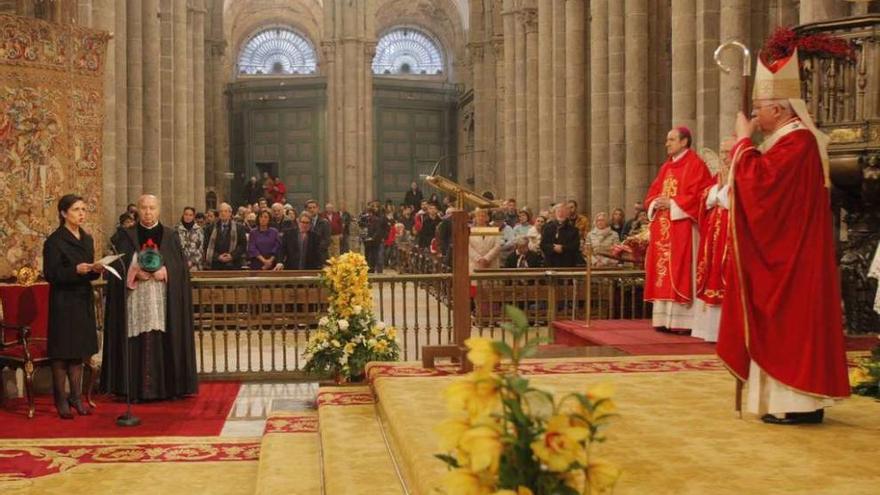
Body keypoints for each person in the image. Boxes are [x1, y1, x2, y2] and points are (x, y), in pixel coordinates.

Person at [717, 50, 849, 425]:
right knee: (787, 327)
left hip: (792, 259)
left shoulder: (799, 143)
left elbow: (764, 189)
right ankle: (792, 402)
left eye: (759, 108)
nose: (755, 115)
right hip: (790, 252)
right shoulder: (786, 141)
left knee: (789, 326)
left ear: (780, 110)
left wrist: (744, 143)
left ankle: (797, 403)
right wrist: (744, 151)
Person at [101, 194, 198, 402]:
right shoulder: (125, 236)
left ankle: (166, 389)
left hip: (162, 299)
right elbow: (116, 266)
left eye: (152, 208)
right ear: (137, 210)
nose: (147, 212)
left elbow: (181, 268)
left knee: (161, 338)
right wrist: (133, 272)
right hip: (135, 298)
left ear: (158, 210)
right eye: (143, 208)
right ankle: (133, 390)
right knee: (136, 340)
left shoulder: (170, 235)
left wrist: (167, 271)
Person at [643, 126, 713, 334]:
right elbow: (653, 192)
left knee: (681, 268)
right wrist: (656, 202)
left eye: (671, 140)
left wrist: (673, 203)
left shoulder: (696, 165)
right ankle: (664, 319)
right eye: (667, 140)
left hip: (683, 227)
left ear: (684, 142)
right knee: (662, 272)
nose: (667, 143)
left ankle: (684, 322)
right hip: (664, 228)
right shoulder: (666, 167)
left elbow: (701, 194)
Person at [42, 194, 104, 418]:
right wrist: (75, 270)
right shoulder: (54, 241)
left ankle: (76, 397)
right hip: (63, 301)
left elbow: (88, 272)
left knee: (78, 352)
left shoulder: (87, 239)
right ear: (63, 213)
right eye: (77, 209)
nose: (81, 213)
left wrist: (96, 269)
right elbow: (51, 274)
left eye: (84, 209)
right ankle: (61, 400)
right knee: (62, 354)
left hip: (81, 299)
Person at [691, 140, 733, 343]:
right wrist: (718, 191)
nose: (724, 156)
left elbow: (735, 201)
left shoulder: (744, 173)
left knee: (725, 275)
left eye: (728, 152)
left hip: (730, 236)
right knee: (711, 272)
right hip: (713, 235)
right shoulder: (719, 176)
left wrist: (723, 191)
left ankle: (726, 331)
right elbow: (705, 198)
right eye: (723, 151)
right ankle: (709, 330)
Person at [203, 203, 247, 270]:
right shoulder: (210, 228)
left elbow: (242, 245)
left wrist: (232, 256)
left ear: (230, 213)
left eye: (226, 211)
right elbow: (206, 246)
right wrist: (218, 257)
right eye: (221, 211)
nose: (223, 213)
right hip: (215, 265)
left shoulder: (239, 228)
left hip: (234, 264)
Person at [541, 203, 582, 267]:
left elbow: (575, 246)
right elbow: (543, 244)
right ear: (555, 213)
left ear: (567, 214)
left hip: (567, 263)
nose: (561, 214)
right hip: (551, 262)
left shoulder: (573, 230)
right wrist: (553, 248)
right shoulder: (547, 228)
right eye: (559, 211)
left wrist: (562, 248)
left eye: (563, 211)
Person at [469, 208, 503, 272]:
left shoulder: (495, 230)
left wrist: (486, 259)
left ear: (487, 218)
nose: (481, 218)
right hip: (475, 264)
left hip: (491, 264)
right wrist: (479, 259)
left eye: (483, 216)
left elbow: (497, 246)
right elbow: (468, 247)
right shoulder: (469, 231)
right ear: (475, 218)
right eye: (478, 216)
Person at [362, 201, 389, 273]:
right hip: (371, 240)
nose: (375, 208)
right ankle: (371, 270)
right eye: (373, 206)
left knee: (379, 256)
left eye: (376, 206)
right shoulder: (368, 217)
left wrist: (384, 237)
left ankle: (380, 272)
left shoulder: (383, 217)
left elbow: (386, 228)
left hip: (380, 239)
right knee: (371, 256)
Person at [176, 206, 204, 272]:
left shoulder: (199, 230)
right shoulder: (176, 230)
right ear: (183, 215)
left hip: (195, 266)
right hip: (180, 265)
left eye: (190, 215)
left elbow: (200, 249)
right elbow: (175, 249)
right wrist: (183, 262)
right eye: (186, 214)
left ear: (193, 217)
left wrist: (192, 262)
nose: (188, 217)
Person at [305, 199, 331, 265]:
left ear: (318, 208)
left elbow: (327, 240)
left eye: (314, 207)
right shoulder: (303, 222)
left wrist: (315, 249)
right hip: (306, 256)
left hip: (320, 255)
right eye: (309, 208)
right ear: (306, 209)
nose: (312, 210)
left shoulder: (324, 222)